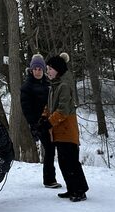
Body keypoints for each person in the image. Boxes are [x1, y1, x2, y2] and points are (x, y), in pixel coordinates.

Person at [42, 52, 89, 202]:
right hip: (58, 131)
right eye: (47, 68)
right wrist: (44, 117)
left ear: (58, 69)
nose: (47, 71)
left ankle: (80, 190)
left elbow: (63, 110)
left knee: (71, 162)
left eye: (50, 68)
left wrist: (49, 122)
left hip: (67, 130)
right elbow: (50, 107)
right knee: (63, 162)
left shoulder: (64, 86)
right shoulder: (53, 86)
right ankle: (72, 189)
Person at [20, 54, 61, 190]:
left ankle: (52, 178)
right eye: (35, 69)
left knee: (52, 149)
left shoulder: (48, 83)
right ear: (31, 70)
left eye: (40, 69)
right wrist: (34, 125)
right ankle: (49, 180)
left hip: (52, 121)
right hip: (39, 123)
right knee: (49, 149)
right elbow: (26, 109)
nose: (38, 71)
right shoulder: (27, 87)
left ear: (44, 69)